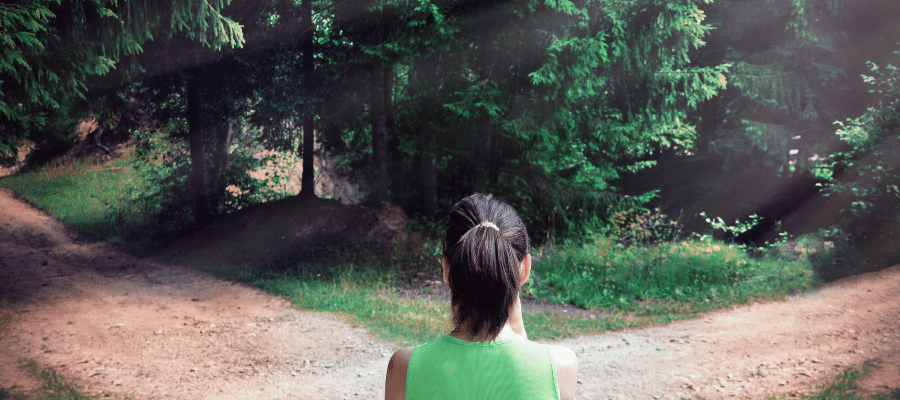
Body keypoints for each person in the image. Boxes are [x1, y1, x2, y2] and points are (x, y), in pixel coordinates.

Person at [385, 193, 577, 400]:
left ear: (446, 269)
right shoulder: (559, 366)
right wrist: (520, 333)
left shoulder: (405, 366)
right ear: (525, 269)